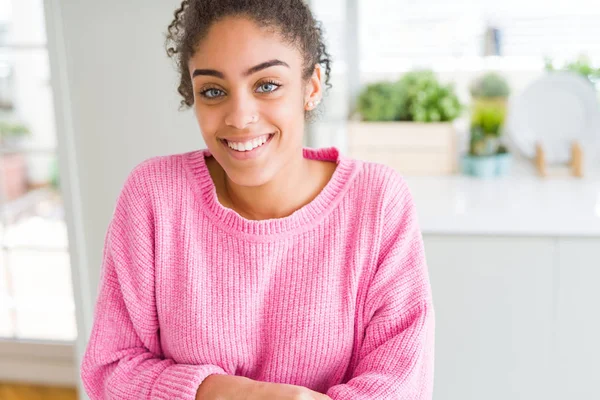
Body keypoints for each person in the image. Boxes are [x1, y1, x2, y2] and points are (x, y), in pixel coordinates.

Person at [80, 0, 435, 399]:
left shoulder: (378, 202)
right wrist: (229, 394)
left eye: (266, 85)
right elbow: (110, 369)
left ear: (311, 87)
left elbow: (401, 385)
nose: (239, 116)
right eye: (213, 91)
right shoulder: (154, 196)